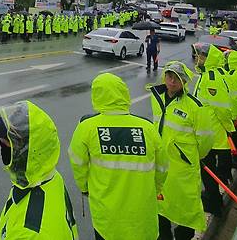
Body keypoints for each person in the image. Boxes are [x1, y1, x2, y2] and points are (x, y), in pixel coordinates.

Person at [69, 73, 168, 240]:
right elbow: (162, 166)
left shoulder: (87, 127)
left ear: (96, 95)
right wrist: (155, 189)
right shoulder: (147, 128)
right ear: (124, 94)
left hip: (107, 218)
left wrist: (85, 188)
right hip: (142, 216)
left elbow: (77, 163)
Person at [0, 100, 78, 240]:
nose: (0, 142)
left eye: (7, 140)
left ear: (25, 152)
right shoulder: (44, 178)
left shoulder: (29, 232)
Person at [150, 61, 215, 240]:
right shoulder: (156, 98)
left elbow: (206, 140)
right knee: (160, 208)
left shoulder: (195, 107)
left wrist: (191, 156)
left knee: (186, 210)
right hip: (160, 166)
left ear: (184, 81)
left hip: (182, 169)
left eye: (177, 78)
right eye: (169, 76)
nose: (172, 81)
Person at [191, 43, 234, 217]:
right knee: (208, 173)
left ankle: (214, 203)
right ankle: (212, 197)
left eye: (201, 56)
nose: (197, 58)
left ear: (209, 59)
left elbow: (222, 108)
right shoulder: (206, 76)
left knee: (208, 174)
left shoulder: (212, 78)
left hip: (211, 135)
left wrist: (229, 129)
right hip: (209, 133)